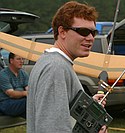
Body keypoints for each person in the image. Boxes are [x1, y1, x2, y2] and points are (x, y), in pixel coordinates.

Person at [27, 1, 107, 133]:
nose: (90, 38)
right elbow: (51, 128)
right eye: (83, 31)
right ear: (62, 32)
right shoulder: (55, 68)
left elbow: (59, 112)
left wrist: (86, 106)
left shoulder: (53, 62)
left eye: (93, 33)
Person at [0, 52, 28, 118]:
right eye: (18, 59)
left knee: (35, 114)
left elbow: (29, 89)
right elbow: (11, 94)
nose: (21, 61)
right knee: (29, 101)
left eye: (22, 59)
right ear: (11, 61)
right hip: (6, 103)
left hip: (20, 102)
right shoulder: (3, 74)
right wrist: (26, 93)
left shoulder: (23, 73)